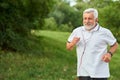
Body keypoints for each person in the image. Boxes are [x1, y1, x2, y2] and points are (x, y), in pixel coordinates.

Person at [66, 8, 118, 80]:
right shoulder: (77, 31)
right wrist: (72, 43)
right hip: (83, 73)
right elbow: (68, 47)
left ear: (96, 19)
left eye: (90, 19)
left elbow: (115, 45)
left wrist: (109, 54)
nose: (87, 21)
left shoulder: (105, 32)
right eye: (85, 18)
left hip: (100, 73)